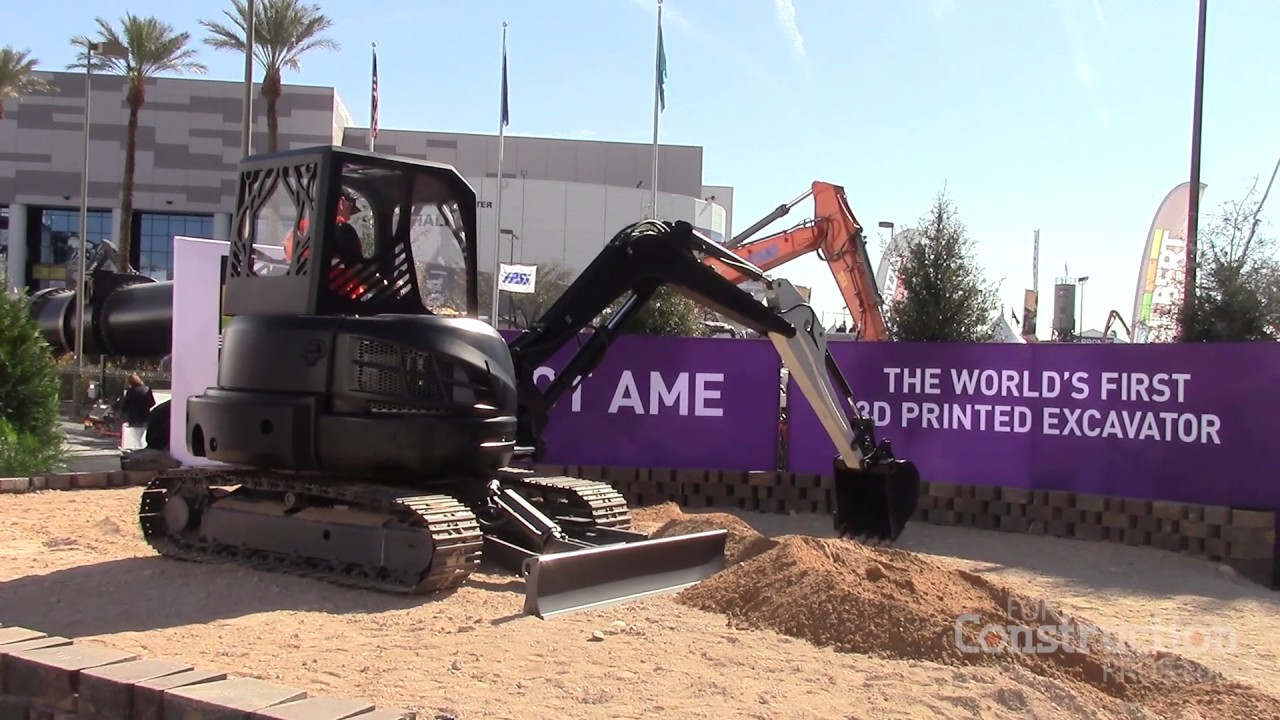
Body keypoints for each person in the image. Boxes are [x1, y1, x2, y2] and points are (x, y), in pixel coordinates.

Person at [114, 373, 156, 452]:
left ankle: (139, 456)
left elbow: (125, 404)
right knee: (140, 438)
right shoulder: (147, 389)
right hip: (146, 417)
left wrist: (122, 411)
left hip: (134, 418)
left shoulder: (131, 391)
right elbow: (152, 403)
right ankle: (141, 453)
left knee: (136, 440)